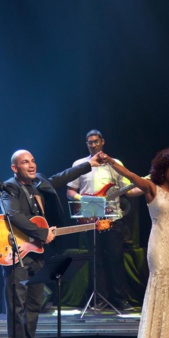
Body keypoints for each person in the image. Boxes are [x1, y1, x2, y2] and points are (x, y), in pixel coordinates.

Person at [0, 149, 104, 338]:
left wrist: (89, 165)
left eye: (33, 160)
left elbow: (62, 177)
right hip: (16, 253)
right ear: (14, 168)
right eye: (24, 162)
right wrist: (41, 232)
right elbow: (13, 215)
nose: (31, 165)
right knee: (17, 307)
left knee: (34, 305)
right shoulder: (10, 187)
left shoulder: (40, 182)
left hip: (37, 253)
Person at [100, 148, 169, 338]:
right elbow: (131, 176)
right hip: (159, 243)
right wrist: (110, 162)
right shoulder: (152, 188)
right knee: (160, 288)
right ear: (163, 168)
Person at [66, 129, 142, 312]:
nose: (93, 145)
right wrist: (83, 200)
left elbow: (128, 190)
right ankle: (98, 298)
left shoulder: (115, 164)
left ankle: (120, 299)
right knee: (96, 259)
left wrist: (147, 187)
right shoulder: (79, 164)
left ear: (103, 142)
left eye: (96, 141)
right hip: (90, 218)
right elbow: (70, 191)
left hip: (112, 217)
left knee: (115, 258)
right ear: (86, 144)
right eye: (89, 142)